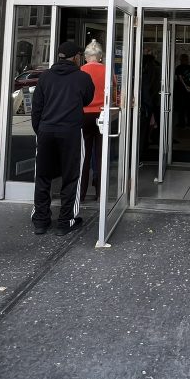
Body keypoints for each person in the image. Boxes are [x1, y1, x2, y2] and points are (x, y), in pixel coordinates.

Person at [31, 41, 94, 236]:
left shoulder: (45, 77)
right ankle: (66, 221)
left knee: (42, 176)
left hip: (46, 131)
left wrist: (40, 130)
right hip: (70, 132)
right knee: (71, 175)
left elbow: (37, 108)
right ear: (75, 57)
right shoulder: (82, 78)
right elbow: (87, 99)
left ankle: (41, 220)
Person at [80, 40, 113, 202]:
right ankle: (100, 193)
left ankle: (82, 192)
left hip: (83, 116)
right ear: (100, 57)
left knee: (84, 156)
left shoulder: (80, 71)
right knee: (101, 156)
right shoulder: (108, 71)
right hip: (103, 115)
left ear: (86, 57)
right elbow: (114, 96)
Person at [173, 53, 190, 126]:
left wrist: (186, 87)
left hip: (181, 90)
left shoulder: (179, 67)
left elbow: (180, 78)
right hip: (189, 89)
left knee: (181, 107)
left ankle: (181, 122)